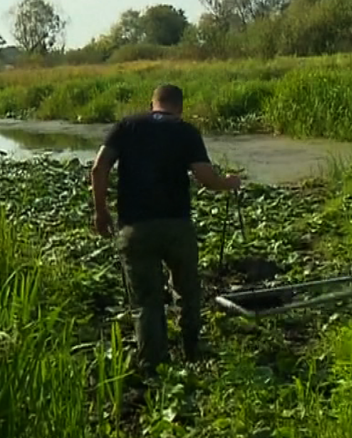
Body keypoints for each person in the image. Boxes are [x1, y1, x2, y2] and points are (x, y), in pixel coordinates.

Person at [91, 84, 241, 376]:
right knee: (187, 290)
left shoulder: (126, 126)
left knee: (146, 301)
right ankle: (192, 351)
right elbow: (205, 177)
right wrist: (229, 183)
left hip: (136, 228)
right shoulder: (186, 131)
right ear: (180, 107)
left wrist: (101, 211)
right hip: (177, 226)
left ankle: (154, 366)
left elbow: (99, 169)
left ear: (152, 105)